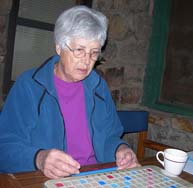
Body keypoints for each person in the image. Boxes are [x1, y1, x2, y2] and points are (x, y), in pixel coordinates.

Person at [0, 5, 140, 179]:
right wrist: (39, 158)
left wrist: (120, 149)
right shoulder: (29, 86)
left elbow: (110, 136)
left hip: (95, 176)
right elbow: (4, 147)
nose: (87, 61)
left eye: (94, 53)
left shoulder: (98, 87)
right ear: (59, 47)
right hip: (45, 180)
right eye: (79, 50)